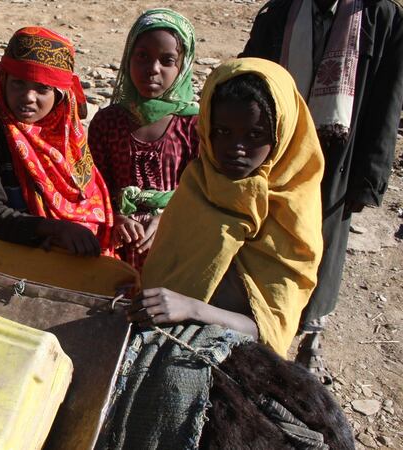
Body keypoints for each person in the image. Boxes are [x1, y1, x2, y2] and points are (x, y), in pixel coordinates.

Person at [240, 0, 403, 376]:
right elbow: (251, 71)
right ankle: (267, 321)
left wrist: (370, 177)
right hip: (278, 147)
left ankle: (312, 333)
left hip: (337, 154)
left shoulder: (381, 17)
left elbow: (386, 103)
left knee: (323, 242)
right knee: (270, 234)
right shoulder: (282, 11)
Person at [129, 58, 325, 357]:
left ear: (282, 134)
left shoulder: (292, 214)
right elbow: (163, 279)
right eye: (222, 133)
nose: (236, 149)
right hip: (162, 345)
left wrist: (194, 309)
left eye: (255, 135)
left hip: (236, 359)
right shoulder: (197, 186)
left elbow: (269, 330)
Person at [0, 27, 114, 257]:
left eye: (42, 88)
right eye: (18, 83)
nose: (29, 97)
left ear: (59, 94)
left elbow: (89, 197)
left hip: (79, 244)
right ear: (3, 79)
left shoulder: (65, 131)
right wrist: (54, 229)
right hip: (21, 251)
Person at [89, 8, 199, 271]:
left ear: (182, 66)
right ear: (128, 58)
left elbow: (202, 191)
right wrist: (115, 217)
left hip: (176, 242)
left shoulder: (193, 124)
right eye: (142, 57)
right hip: (117, 244)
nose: (152, 69)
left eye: (167, 60)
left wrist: (166, 220)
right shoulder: (108, 122)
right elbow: (92, 186)